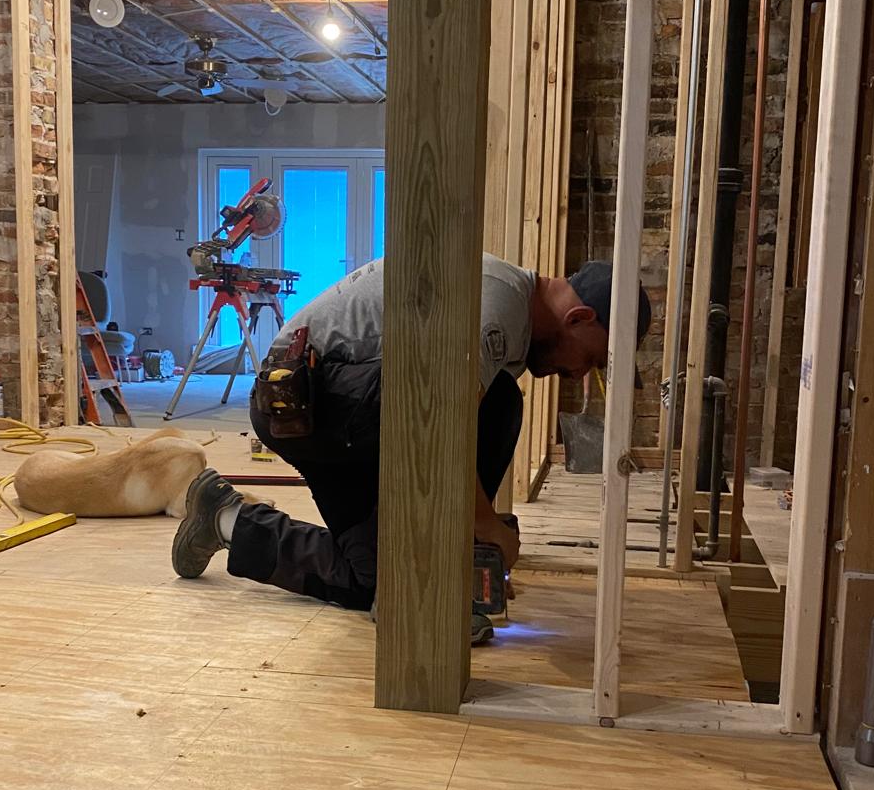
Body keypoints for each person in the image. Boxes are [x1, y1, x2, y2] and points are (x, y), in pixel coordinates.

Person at [171, 254, 651, 639]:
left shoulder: (511, 316)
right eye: (589, 358)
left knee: (374, 582)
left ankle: (224, 518)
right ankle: (440, 569)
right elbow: (440, 430)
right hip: (304, 402)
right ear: (579, 316)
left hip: (340, 411)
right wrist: (485, 524)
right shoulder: (496, 308)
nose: (579, 374)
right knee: (487, 400)